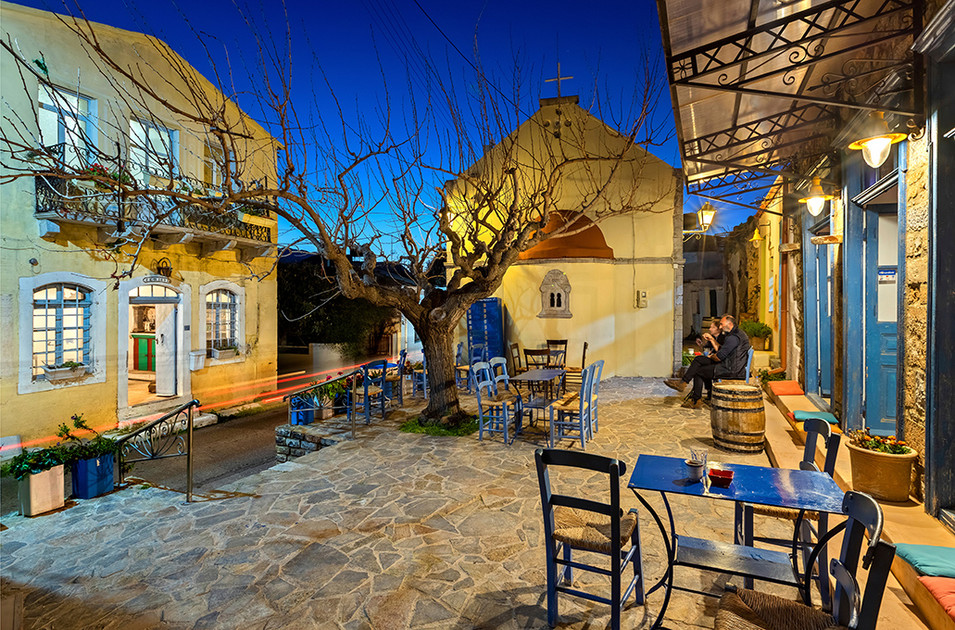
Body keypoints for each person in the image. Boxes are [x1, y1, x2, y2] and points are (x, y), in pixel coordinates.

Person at [665, 314, 752, 408]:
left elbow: (719, 357)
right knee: (698, 360)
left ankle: (695, 400)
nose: (720, 327)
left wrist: (711, 357)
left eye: (722, 324)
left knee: (698, 371)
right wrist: (712, 346)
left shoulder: (733, 338)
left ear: (730, 324)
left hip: (730, 369)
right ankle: (683, 384)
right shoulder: (734, 334)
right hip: (729, 364)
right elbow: (721, 350)